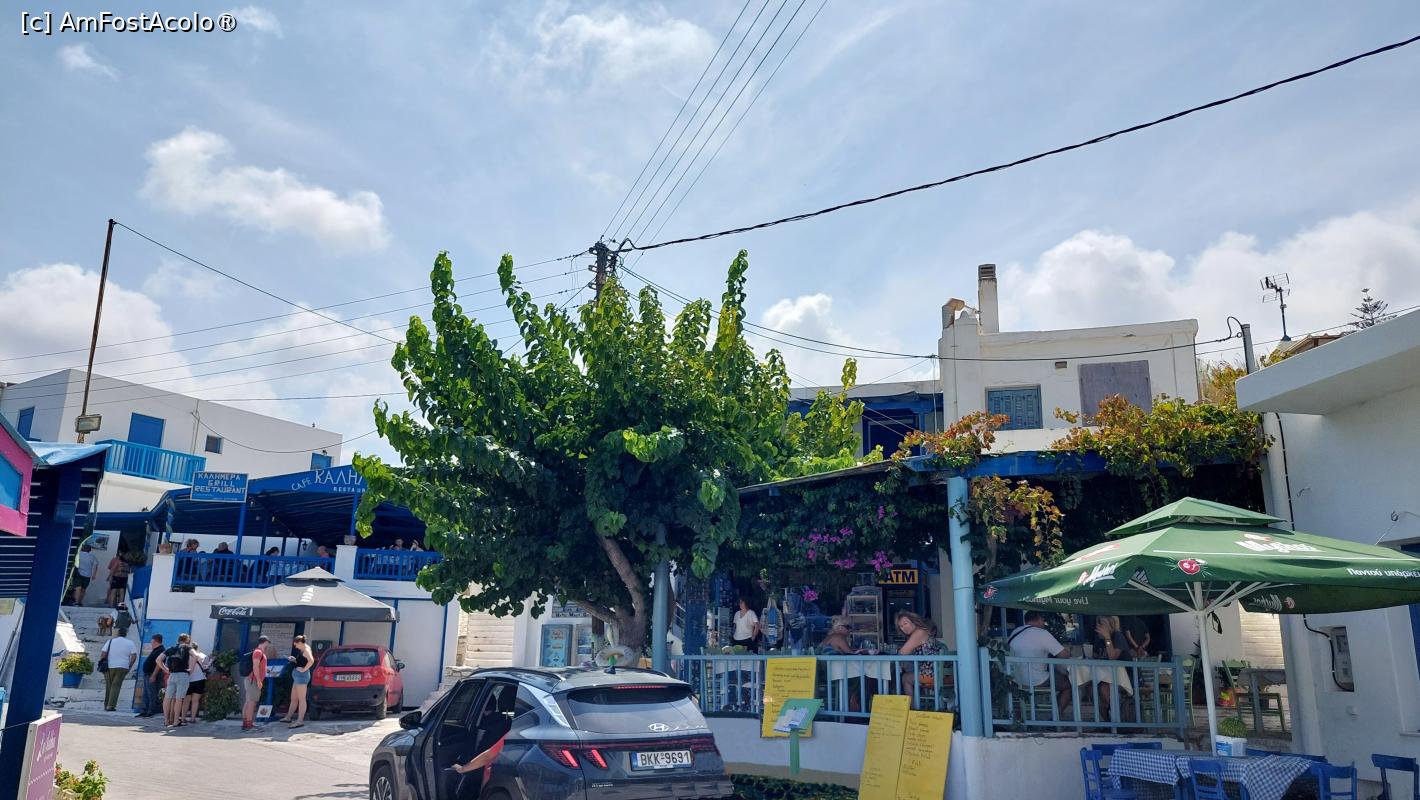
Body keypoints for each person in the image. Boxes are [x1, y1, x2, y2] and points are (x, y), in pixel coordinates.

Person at [450, 689, 516, 797]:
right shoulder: (513, 726)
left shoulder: (483, 725)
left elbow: (487, 756)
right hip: (502, 776)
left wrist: (462, 769)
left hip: (485, 774)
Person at [1007, 611, 1072, 716]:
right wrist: (1069, 651)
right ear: (1039, 620)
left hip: (1015, 679)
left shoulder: (1016, 631)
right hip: (1036, 679)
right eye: (1042, 620)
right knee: (1070, 683)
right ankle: (1057, 715)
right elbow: (1063, 655)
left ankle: (1019, 715)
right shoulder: (1042, 634)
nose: (1043, 623)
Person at [1091, 616, 1135, 722]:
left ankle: (1115, 716)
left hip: (1124, 677)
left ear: (1111, 626)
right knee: (1090, 688)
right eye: (1098, 623)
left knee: (1104, 687)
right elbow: (1095, 657)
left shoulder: (1118, 636)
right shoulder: (1098, 639)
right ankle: (1107, 721)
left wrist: (1107, 637)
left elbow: (1112, 657)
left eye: (1102, 624)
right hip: (1105, 675)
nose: (1099, 626)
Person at [895, 611, 945, 701]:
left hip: (931, 674)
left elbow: (902, 652)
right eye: (901, 626)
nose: (903, 628)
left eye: (905, 623)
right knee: (908, 671)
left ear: (913, 621)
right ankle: (918, 703)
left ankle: (912, 706)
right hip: (936, 671)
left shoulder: (919, 632)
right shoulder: (923, 631)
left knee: (905, 678)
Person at [158, 633, 194, 727]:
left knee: (167, 698)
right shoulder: (187, 647)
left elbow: (158, 660)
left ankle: (166, 720)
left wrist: (166, 670)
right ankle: (175, 721)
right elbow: (195, 656)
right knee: (179, 699)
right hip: (183, 674)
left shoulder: (171, 648)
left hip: (172, 675)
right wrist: (191, 669)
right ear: (187, 640)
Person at [281, 634, 315, 728]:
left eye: (296, 644)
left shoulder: (306, 650)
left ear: (300, 642)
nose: (295, 646)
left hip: (301, 677)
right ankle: (288, 717)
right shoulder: (303, 648)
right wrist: (294, 660)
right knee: (294, 698)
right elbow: (302, 661)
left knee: (301, 699)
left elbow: (311, 660)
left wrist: (304, 670)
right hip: (297, 676)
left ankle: (300, 721)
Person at [100, 630, 139, 712]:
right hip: (123, 666)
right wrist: (129, 666)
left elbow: (103, 653)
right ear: (126, 634)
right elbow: (134, 656)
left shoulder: (110, 641)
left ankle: (106, 705)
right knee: (116, 686)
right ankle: (111, 706)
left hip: (110, 666)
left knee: (109, 685)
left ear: (118, 634)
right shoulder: (130, 643)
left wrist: (102, 662)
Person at [240, 635, 271, 731]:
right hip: (253, 681)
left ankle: (245, 723)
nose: (268, 645)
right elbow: (255, 667)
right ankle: (249, 725)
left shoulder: (259, 652)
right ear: (265, 642)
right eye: (268, 643)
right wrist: (258, 680)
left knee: (248, 702)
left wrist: (266, 671)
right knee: (251, 703)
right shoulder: (258, 652)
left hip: (251, 680)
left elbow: (259, 666)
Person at [137, 634, 165, 718]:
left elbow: (158, 665)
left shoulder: (161, 650)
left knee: (152, 693)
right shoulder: (155, 650)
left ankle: (151, 710)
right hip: (147, 674)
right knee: (145, 694)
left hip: (152, 674)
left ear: (155, 641)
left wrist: (154, 675)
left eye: (152, 641)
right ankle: (144, 710)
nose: (151, 643)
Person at [184, 642, 210, 723]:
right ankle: (192, 719)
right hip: (199, 679)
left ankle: (183, 718)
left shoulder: (186, 655)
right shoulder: (203, 656)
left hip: (188, 679)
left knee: (186, 701)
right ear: (197, 648)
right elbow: (206, 667)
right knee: (195, 701)